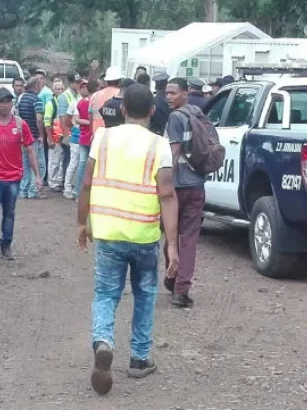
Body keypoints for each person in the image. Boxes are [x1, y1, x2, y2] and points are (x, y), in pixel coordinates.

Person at [76, 83, 179, 395]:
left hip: (108, 230)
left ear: (121, 110)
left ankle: (104, 341)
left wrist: (82, 222)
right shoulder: (159, 145)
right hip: (145, 233)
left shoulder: (102, 138)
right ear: (151, 111)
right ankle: (139, 358)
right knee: (145, 294)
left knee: (106, 294)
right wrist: (172, 244)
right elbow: (168, 194)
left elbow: (86, 184)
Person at [0, 88, 41, 265]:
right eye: (2, 102)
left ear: (12, 103)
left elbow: (30, 151)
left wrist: (37, 175)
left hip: (13, 177)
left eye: (8, 102)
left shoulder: (21, 125)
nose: (6, 105)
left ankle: (6, 246)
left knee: (9, 213)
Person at [163, 77, 207, 308]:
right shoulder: (197, 113)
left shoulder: (176, 118)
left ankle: (174, 280)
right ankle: (181, 288)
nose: (168, 97)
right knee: (188, 239)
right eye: (166, 93)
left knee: (171, 235)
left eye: (172, 93)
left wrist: (164, 182)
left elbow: (174, 151)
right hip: (197, 184)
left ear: (184, 93)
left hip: (177, 187)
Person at [17, 76, 47, 199]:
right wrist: (41, 135)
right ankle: (33, 190)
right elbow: (39, 119)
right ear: (36, 86)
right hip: (33, 135)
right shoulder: (37, 100)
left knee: (25, 164)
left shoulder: (22, 98)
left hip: (22, 136)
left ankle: (23, 190)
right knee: (38, 164)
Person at [63, 78, 89, 200]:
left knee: (81, 163)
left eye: (86, 87)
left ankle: (75, 188)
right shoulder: (74, 102)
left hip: (86, 135)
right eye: (82, 87)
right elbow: (67, 119)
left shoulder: (91, 102)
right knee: (74, 162)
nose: (84, 89)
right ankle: (67, 188)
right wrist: (72, 128)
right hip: (76, 135)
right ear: (79, 88)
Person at [73, 79, 98, 198]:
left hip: (83, 137)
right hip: (94, 137)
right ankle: (87, 193)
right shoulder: (97, 103)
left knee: (82, 164)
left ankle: (78, 192)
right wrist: (91, 123)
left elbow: (76, 119)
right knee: (92, 166)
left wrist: (87, 122)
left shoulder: (81, 103)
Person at [57, 74, 82, 178]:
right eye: (76, 83)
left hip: (75, 133)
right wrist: (66, 135)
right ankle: (64, 184)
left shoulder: (78, 95)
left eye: (79, 83)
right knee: (68, 160)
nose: (78, 85)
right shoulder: (64, 96)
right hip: (67, 133)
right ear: (70, 83)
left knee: (73, 160)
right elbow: (62, 117)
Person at [44, 80, 66, 192]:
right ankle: (53, 183)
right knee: (54, 161)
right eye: (58, 89)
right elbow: (47, 123)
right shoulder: (50, 104)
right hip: (55, 136)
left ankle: (59, 181)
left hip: (63, 137)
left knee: (61, 160)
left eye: (62, 89)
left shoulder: (64, 101)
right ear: (53, 91)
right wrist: (50, 138)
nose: (60, 91)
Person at [89, 66, 123, 136]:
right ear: (120, 81)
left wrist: (92, 133)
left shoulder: (95, 95)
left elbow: (90, 117)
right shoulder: (121, 95)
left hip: (97, 135)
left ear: (106, 81)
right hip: (115, 136)